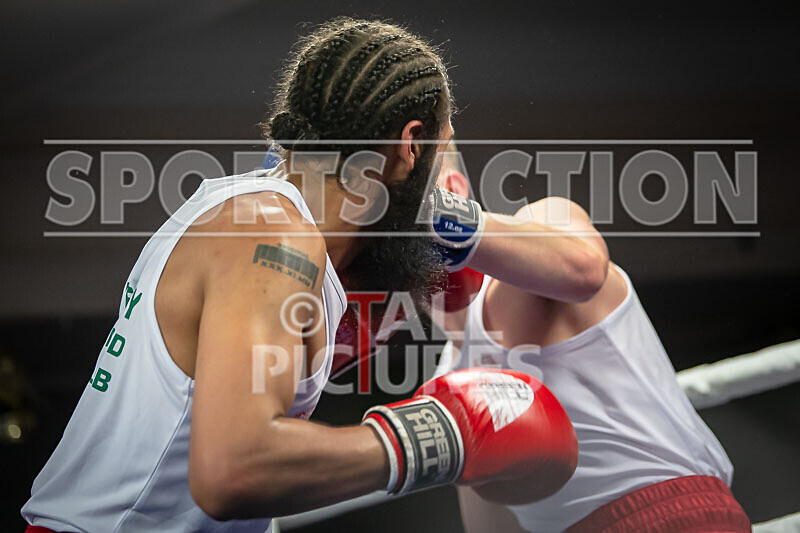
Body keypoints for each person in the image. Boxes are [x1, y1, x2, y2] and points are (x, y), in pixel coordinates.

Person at [21, 18, 577, 533]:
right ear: (409, 146)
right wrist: (443, 436)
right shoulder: (272, 234)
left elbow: (577, 267)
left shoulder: (284, 231)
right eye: (441, 148)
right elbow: (233, 471)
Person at [429, 163, 752, 532]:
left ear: (449, 187)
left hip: (669, 511)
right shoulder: (443, 390)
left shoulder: (542, 220)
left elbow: (584, 271)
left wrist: (430, 216)